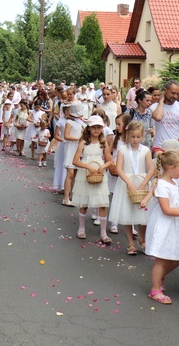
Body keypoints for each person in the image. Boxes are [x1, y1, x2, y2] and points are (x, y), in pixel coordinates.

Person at [142, 150, 179, 304]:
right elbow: (166, 209)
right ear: (170, 168)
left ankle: (159, 276)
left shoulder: (173, 183)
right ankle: (155, 289)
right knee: (161, 259)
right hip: (164, 225)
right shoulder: (162, 185)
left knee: (177, 257)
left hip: (175, 225)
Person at [109, 121, 153, 254]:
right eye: (133, 136)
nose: (135, 140)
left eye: (138, 137)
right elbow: (119, 168)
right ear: (128, 135)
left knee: (143, 213)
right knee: (127, 212)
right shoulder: (122, 150)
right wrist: (128, 182)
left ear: (142, 137)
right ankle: (130, 243)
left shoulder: (145, 150)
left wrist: (144, 182)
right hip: (126, 183)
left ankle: (142, 238)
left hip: (141, 181)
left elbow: (151, 168)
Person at [72, 115, 114, 243]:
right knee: (84, 203)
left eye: (99, 127)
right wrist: (88, 166)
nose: (96, 130)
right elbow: (75, 161)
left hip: (99, 173)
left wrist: (103, 166)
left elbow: (110, 160)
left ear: (102, 129)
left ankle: (103, 233)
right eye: (93, 127)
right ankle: (81, 228)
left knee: (102, 203)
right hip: (85, 174)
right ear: (89, 128)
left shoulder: (103, 143)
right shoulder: (84, 143)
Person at [150, 80, 179, 152]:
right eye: (173, 93)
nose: (175, 96)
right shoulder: (154, 107)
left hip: (177, 148)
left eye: (177, 94)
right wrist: (161, 102)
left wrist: (175, 148)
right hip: (159, 147)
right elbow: (158, 117)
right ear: (165, 91)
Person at [62, 102, 86, 207]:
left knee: (75, 173)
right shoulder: (69, 122)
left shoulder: (81, 122)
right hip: (71, 147)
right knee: (70, 173)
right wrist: (79, 139)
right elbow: (66, 136)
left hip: (78, 148)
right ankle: (66, 198)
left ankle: (72, 194)